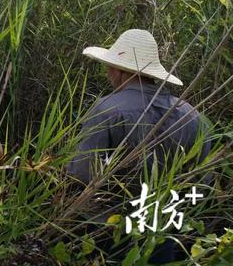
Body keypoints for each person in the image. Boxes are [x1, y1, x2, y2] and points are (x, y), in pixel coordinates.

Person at [67, 29, 211, 263]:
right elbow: (201, 180)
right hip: (165, 229)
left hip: (110, 231)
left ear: (119, 71)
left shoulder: (106, 109)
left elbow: (82, 172)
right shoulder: (190, 114)